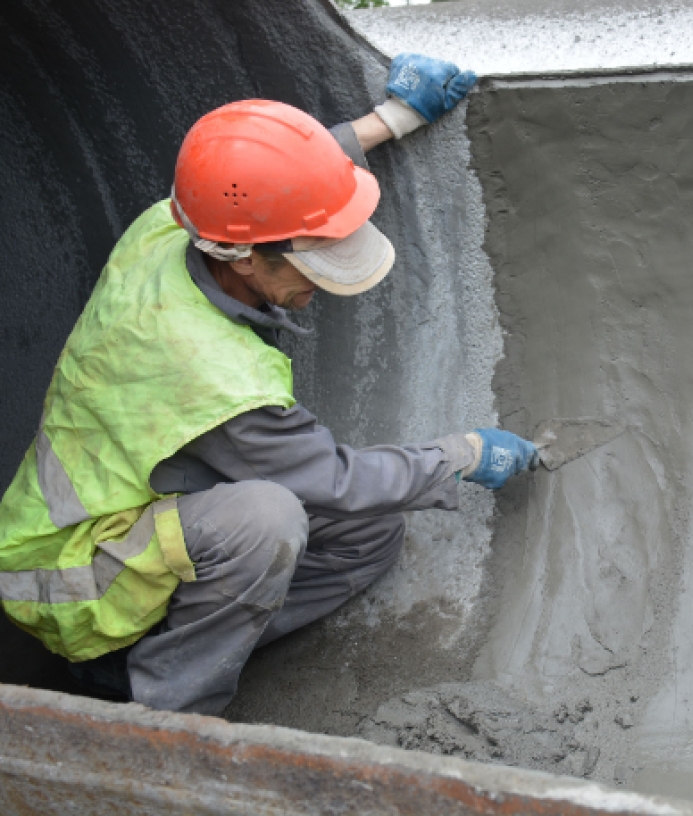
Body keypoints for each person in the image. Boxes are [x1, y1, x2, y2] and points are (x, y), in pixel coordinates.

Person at [0, 54, 537, 715]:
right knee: (267, 520)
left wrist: (388, 121)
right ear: (245, 259)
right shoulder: (218, 376)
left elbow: (251, 187)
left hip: (132, 509)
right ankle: (169, 715)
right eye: (312, 266)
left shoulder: (170, 228)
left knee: (370, 534)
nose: (318, 285)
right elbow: (336, 480)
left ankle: (177, 640)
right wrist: (463, 456)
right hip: (64, 576)